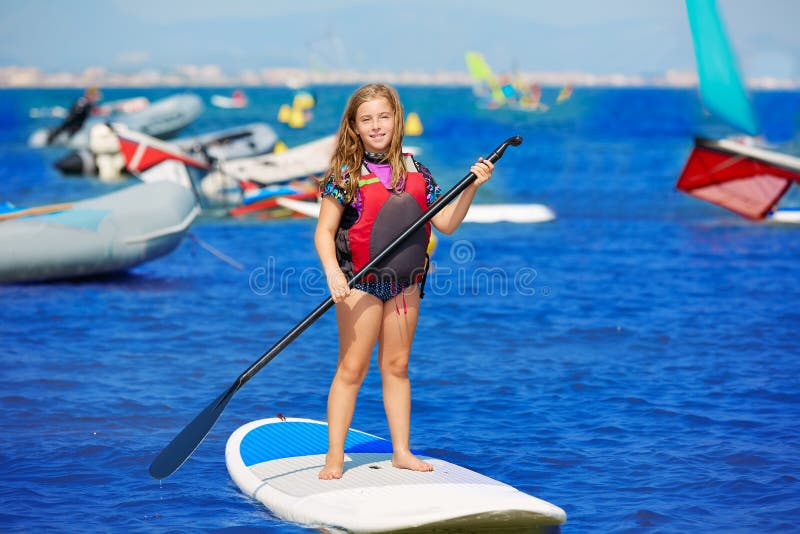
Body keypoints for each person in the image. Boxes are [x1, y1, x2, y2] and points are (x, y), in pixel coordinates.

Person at [314, 83, 494, 480]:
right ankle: (334, 456)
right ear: (355, 127)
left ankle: (401, 452)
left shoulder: (419, 173)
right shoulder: (344, 175)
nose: (377, 126)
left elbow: (445, 223)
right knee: (352, 369)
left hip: (406, 286)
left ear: (397, 119)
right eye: (367, 119)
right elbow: (324, 233)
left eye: (383, 116)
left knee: (396, 366)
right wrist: (332, 273)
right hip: (358, 284)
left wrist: (471, 188)